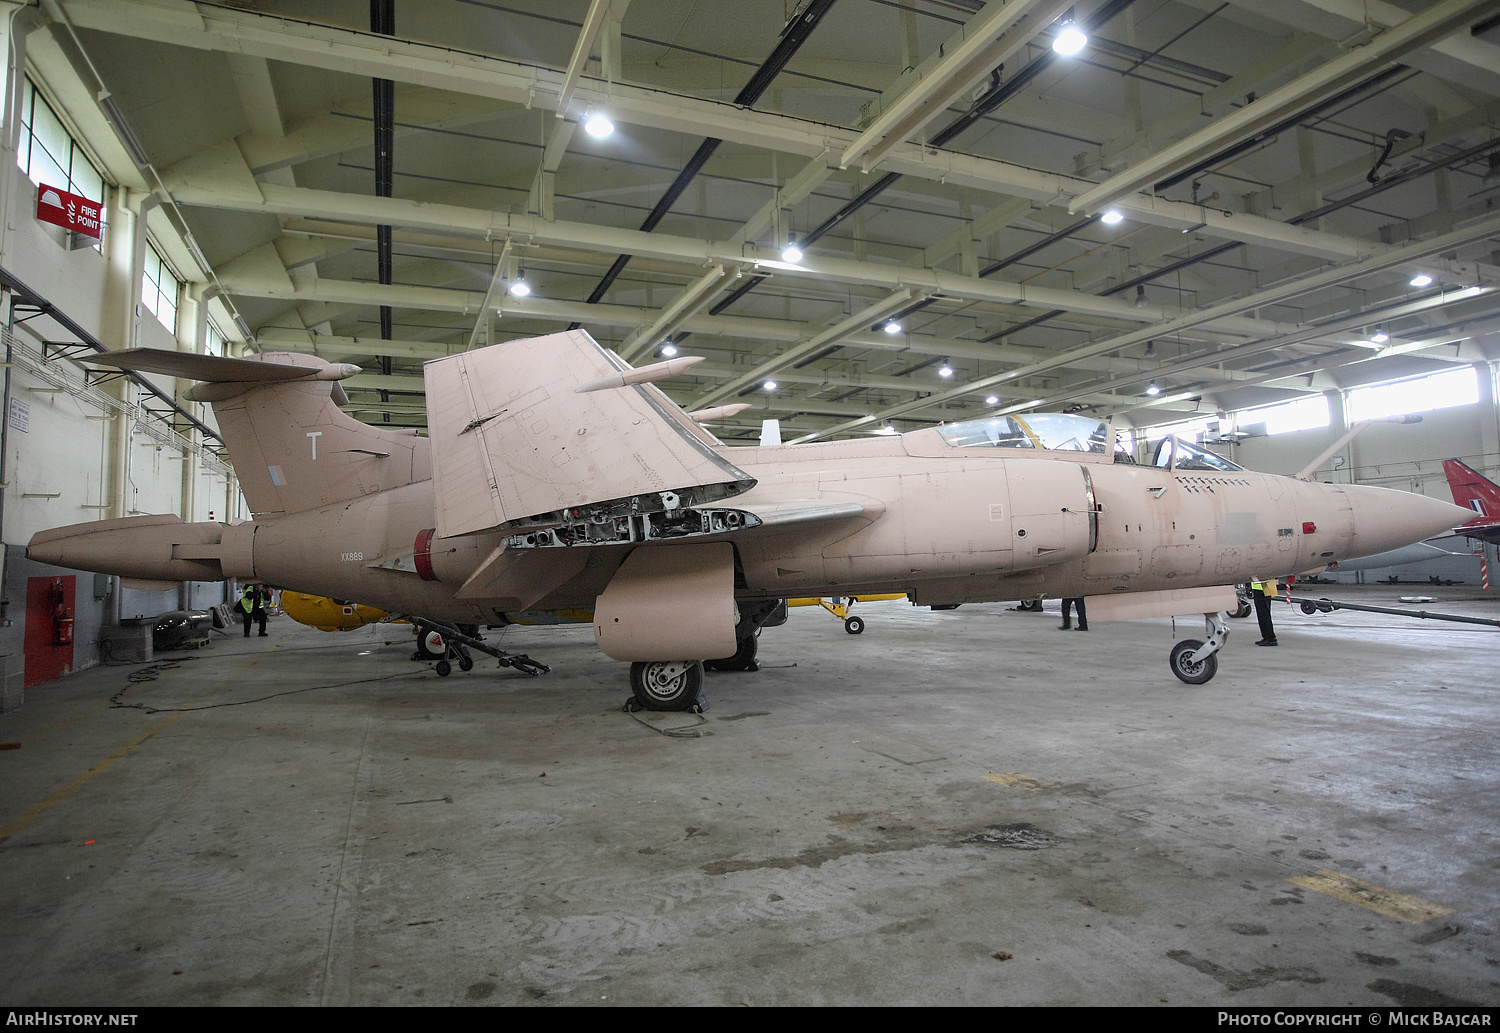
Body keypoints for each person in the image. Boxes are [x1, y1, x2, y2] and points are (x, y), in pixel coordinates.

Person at [1250, 578, 1278, 646]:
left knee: (1263, 615)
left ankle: (1270, 638)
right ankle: (1267, 637)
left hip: (1262, 589)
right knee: (1264, 614)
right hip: (1265, 589)